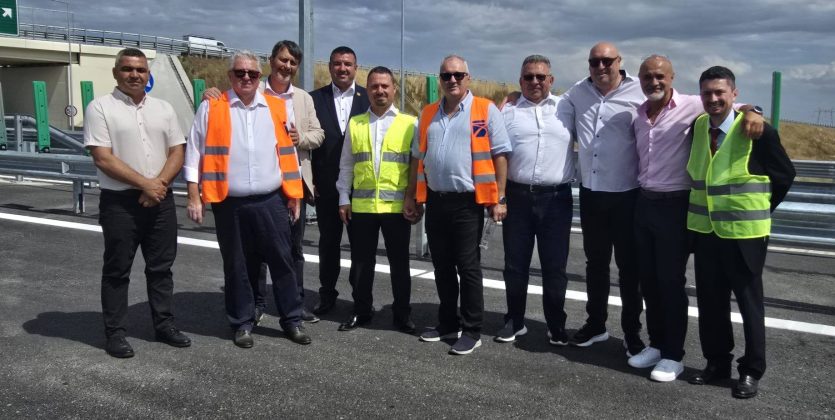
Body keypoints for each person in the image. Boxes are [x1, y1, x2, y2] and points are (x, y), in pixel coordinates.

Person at [628, 55, 764, 382]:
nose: (654, 82)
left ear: (672, 77)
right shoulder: (638, 113)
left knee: (670, 281)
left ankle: (673, 354)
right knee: (648, 280)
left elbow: (735, 107)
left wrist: (755, 111)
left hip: (675, 205)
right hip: (644, 203)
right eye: (647, 77)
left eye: (660, 76)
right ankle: (657, 343)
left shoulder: (693, 105)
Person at [184, 51, 311, 348]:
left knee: (283, 262)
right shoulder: (213, 106)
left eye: (252, 74)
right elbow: (194, 151)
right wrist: (193, 196)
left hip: (272, 200)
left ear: (259, 77)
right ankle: (242, 322)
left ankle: (292, 320)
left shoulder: (277, 107)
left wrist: (294, 196)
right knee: (237, 265)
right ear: (230, 76)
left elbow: (288, 155)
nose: (246, 78)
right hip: (230, 202)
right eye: (239, 73)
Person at [686, 66, 794, 398]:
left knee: (749, 304)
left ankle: (751, 370)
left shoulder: (756, 130)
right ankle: (717, 362)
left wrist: (760, 208)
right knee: (710, 302)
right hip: (707, 231)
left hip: (744, 234)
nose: (713, 98)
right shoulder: (699, 126)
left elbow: (784, 175)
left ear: (734, 94)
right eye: (707, 93)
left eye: (720, 92)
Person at [202, 40, 325, 324]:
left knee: (290, 251)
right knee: (252, 253)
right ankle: (256, 303)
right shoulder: (253, 91)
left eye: (293, 62)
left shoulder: (303, 98)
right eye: (283, 60)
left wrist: (300, 138)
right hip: (254, 186)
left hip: (291, 182)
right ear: (271, 61)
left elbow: (318, 134)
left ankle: (293, 305)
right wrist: (212, 94)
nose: (287, 66)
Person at [84, 47, 191, 358]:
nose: (134, 75)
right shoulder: (100, 108)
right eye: (128, 69)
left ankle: (164, 325)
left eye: (141, 70)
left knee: (161, 268)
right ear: (116, 72)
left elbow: (177, 151)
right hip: (120, 203)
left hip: (161, 198)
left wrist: (158, 185)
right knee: (117, 270)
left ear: (148, 74)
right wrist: (146, 184)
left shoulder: (164, 109)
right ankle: (115, 333)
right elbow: (103, 158)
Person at [404, 55, 512, 355]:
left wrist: (500, 197)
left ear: (468, 77)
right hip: (436, 200)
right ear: (440, 79)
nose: (452, 80)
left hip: (467, 203)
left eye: (458, 75)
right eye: (446, 75)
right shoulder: (428, 113)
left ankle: (472, 329)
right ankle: (448, 323)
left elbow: (501, 154)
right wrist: (412, 196)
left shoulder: (485, 110)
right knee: (442, 266)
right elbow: (417, 158)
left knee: (468, 267)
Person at [561, 42, 645, 356]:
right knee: (595, 265)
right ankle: (596, 324)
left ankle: (632, 333)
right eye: (594, 61)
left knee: (629, 269)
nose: (600, 67)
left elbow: (688, 103)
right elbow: (544, 99)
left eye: (606, 61)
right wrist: (514, 97)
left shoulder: (640, 90)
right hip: (592, 194)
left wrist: (750, 109)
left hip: (627, 194)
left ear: (619, 61)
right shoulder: (578, 92)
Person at [494, 55, 575, 346]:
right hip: (518, 197)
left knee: (555, 267)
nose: (535, 82)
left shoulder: (567, 107)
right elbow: (496, 153)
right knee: (515, 265)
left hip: (557, 199)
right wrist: (499, 196)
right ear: (520, 81)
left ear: (551, 80)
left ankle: (556, 325)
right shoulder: (507, 111)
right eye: (529, 77)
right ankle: (515, 321)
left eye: (541, 77)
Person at [335, 66, 417, 334]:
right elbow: (346, 164)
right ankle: (361, 311)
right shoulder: (356, 123)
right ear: (367, 90)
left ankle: (402, 315)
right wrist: (344, 197)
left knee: (400, 264)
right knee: (361, 264)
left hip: (397, 208)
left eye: (385, 86)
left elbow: (416, 168)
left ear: (394, 89)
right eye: (374, 86)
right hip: (363, 207)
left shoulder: (410, 123)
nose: (379, 91)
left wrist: (415, 199)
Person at [310, 46, 371, 315]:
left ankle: (360, 299)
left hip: (361, 188)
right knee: (328, 244)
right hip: (326, 187)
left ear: (355, 68)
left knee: (360, 248)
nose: (342, 68)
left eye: (347, 64)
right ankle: (327, 295)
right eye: (337, 63)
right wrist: (310, 180)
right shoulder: (314, 99)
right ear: (330, 67)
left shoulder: (369, 98)